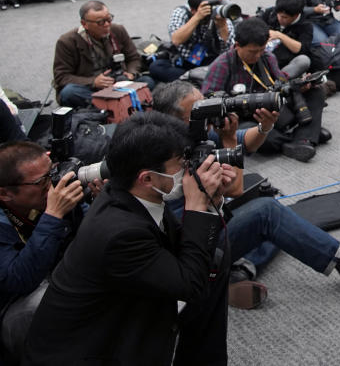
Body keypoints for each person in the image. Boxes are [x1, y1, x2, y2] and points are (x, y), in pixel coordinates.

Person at [23, 112, 232, 365]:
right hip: (84, 351)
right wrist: (197, 206)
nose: (190, 170)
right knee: (202, 273)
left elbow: (182, 247)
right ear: (146, 178)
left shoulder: (130, 192)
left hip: (117, 308)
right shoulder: (120, 233)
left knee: (215, 262)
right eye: (181, 163)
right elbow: (191, 284)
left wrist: (212, 202)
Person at [152, 82, 340, 293]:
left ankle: (244, 267)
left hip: (206, 225)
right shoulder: (166, 158)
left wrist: (265, 127)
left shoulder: (189, 135)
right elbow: (235, 188)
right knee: (267, 212)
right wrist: (227, 139)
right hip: (190, 253)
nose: (207, 114)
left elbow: (245, 142)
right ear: (174, 120)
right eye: (197, 111)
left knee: (270, 203)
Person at [0, 142, 86, 362]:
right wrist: (54, 215)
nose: (53, 186)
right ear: (5, 194)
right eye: (42, 182)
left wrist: (98, 201)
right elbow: (18, 280)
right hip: (13, 309)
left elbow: (87, 238)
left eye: (52, 173)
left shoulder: (39, 199)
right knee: (42, 304)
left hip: (48, 277)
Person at [201, 18, 331, 161]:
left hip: (274, 107)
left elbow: (281, 83)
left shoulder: (267, 57)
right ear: (237, 45)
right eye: (252, 52)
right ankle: (305, 136)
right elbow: (208, 101)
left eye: (261, 50)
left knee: (316, 92)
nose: (257, 56)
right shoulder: (222, 65)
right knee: (256, 137)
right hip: (248, 118)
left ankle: (302, 139)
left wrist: (300, 87)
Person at [53, 0, 152, 107]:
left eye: (109, 19)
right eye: (100, 22)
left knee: (147, 81)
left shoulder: (118, 30)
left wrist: (131, 73)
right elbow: (61, 77)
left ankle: (110, 105)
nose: (107, 25)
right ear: (84, 24)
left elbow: (133, 58)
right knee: (69, 93)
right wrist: (93, 81)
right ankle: (118, 104)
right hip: (90, 87)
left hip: (119, 82)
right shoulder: (67, 41)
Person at [149, 0, 235, 83]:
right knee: (156, 67)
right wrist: (197, 17)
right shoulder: (182, 12)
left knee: (230, 67)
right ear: (192, 10)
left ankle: (193, 81)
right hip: (185, 61)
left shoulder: (219, 13)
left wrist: (222, 26)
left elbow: (228, 49)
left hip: (211, 63)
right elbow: (176, 40)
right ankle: (196, 80)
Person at [260, 0, 315, 73]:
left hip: (285, 63)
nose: (280, 18)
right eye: (279, 15)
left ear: (296, 15)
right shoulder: (271, 13)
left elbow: (302, 49)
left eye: (284, 17)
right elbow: (256, 26)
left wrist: (280, 36)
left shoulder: (306, 25)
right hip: (263, 55)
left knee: (304, 61)